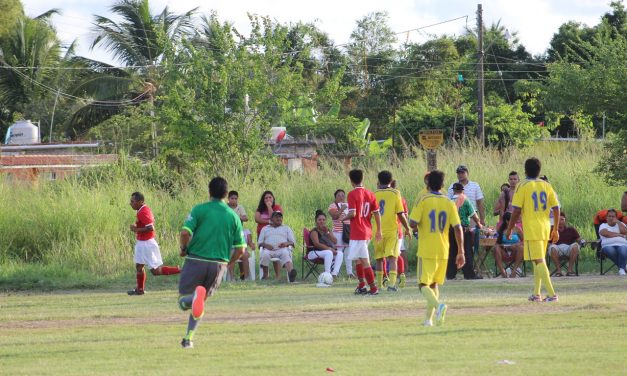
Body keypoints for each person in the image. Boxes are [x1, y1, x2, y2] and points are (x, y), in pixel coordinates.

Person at [177, 177, 247, 349]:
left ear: (209, 191)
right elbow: (241, 250)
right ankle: (188, 338)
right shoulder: (234, 216)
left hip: (196, 260)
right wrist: (229, 264)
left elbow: (185, 233)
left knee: (183, 301)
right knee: (200, 303)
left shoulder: (200, 209)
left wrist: (184, 248)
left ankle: (192, 299)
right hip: (218, 264)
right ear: (226, 193)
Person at [409, 170, 464, 327]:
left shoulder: (424, 200)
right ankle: (429, 320)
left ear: (427, 183)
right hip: (443, 249)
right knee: (434, 284)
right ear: (443, 184)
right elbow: (458, 228)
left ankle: (438, 306)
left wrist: (419, 224)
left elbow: (412, 222)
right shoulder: (448, 202)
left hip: (427, 249)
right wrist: (461, 251)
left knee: (422, 285)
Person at [506, 157, 560, 302]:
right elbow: (556, 207)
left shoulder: (522, 185)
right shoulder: (546, 185)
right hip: (545, 226)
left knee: (539, 260)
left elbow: (516, 210)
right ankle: (536, 294)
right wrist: (555, 228)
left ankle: (552, 293)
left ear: (525, 170)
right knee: (538, 260)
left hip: (532, 227)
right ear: (539, 170)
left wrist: (510, 228)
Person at [127, 192, 180, 295]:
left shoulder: (143, 211)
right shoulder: (142, 210)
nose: (130, 203)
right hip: (143, 242)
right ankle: (140, 289)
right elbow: (146, 224)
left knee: (156, 271)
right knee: (139, 266)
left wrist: (136, 229)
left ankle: (182, 270)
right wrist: (137, 226)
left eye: (132, 201)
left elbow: (151, 228)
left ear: (140, 202)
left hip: (147, 244)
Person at [344, 169, 382, 295]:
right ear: (362, 179)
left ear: (351, 180)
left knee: (364, 260)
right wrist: (379, 230)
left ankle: (373, 288)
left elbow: (353, 213)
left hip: (358, 231)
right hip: (367, 231)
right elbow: (377, 213)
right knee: (358, 259)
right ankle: (361, 285)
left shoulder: (352, 194)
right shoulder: (371, 194)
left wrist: (342, 218)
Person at [374, 171, 410, 292]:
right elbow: (400, 213)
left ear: (378, 180)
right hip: (391, 230)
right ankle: (392, 285)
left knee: (379, 258)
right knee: (392, 257)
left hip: (377, 230)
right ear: (391, 181)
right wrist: (407, 228)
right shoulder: (395, 193)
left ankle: (379, 285)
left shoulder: (373, 194)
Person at [446, 183, 483, 280]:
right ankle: (469, 274)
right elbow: (474, 216)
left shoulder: (449, 202)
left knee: (452, 251)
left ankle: (450, 274)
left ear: (453, 191)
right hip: (463, 229)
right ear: (463, 190)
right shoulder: (465, 200)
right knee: (466, 251)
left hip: (450, 229)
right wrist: (479, 225)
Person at [258, 211, 297, 282]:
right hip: (269, 250)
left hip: (281, 249)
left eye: (280, 217)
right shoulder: (265, 228)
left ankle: (291, 274)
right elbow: (260, 242)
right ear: (271, 219)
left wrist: (286, 243)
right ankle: (265, 275)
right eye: (277, 217)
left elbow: (293, 242)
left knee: (285, 253)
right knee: (265, 254)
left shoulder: (286, 228)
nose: (279, 218)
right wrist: (266, 245)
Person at [309, 210, 343, 278]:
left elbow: (335, 241)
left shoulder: (327, 230)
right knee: (329, 252)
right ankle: (327, 274)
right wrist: (329, 249)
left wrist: (327, 232)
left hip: (326, 252)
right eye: (319, 220)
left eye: (323, 220)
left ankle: (334, 274)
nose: (322, 221)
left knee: (340, 253)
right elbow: (316, 244)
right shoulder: (314, 231)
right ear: (316, 221)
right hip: (314, 253)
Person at [328, 189, 352, 278]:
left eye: (343, 195)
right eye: (339, 195)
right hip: (338, 232)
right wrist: (341, 209)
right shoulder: (332, 206)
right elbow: (334, 216)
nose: (341, 197)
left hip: (347, 232)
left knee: (348, 253)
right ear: (335, 197)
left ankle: (350, 273)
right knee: (338, 253)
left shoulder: (348, 205)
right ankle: (334, 272)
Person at [548, 212, 581, 277]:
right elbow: (548, 242)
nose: (560, 221)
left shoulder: (571, 229)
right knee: (552, 247)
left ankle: (570, 270)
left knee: (575, 246)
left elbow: (579, 239)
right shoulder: (552, 230)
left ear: (565, 220)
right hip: (556, 248)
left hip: (568, 248)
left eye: (562, 219)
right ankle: (558, 270)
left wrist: (582, 241)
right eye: (558, 219)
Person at [391, 179, 409, 288]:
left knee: (395, 254)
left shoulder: (393, 198)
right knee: (399, 253)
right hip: (398, 229)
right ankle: (402, 273)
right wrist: (406, 227)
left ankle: (400, 274)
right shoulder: (401, 199)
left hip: (392, 229)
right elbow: (405, 215)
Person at [495, 212, 524, 278]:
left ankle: (514, 271)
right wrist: (503, 246)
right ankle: (503, 272)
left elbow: (524, 241)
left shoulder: (517, 229)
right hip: (504, 252)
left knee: (521, 248)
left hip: (515, 252)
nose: (514, 222)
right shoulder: (501, 229)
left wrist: (517, 245)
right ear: (507, 221)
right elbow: (496, 242)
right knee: (496, 248)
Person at [598, 209, 627, 275]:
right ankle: (624, 266)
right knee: (610, 251)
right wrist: (620, 235)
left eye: (613, 216)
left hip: (622, 244)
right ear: (606, 218)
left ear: (616, 217)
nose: (611, 218)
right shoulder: (603, 225)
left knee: (623, 250)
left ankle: (622, 269)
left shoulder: (621, 224)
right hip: (607, 245)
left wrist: (618, 222)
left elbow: (625, 232)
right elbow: (606, 233)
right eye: (609, 216)